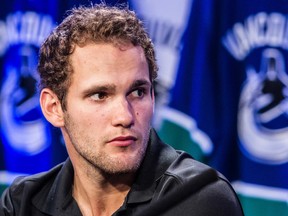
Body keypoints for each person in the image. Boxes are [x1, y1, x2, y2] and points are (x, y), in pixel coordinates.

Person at [0, 3, 244, 216]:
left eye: (137, 92)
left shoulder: (200, 200)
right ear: (54, 108)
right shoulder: (22, 204)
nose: (125, 116)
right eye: (99, 95)